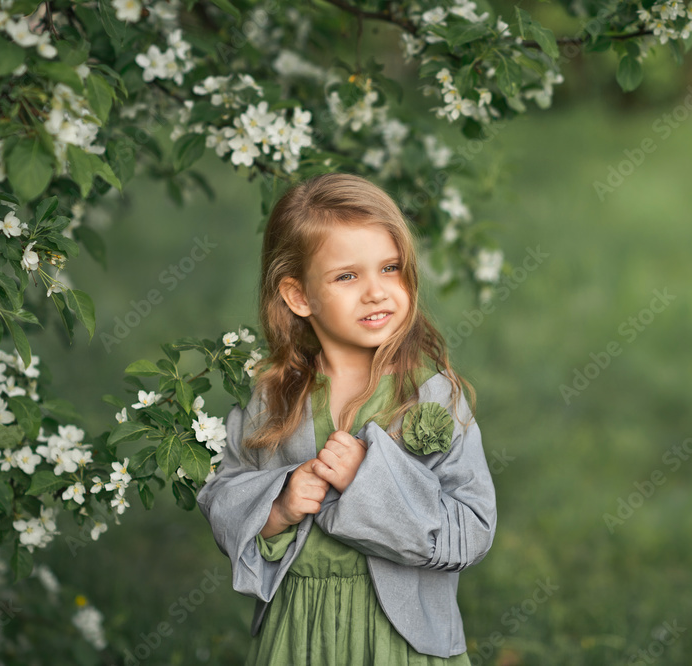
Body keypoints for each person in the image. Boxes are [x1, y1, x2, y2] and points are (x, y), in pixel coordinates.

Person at [196, 172, 496, 665]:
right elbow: (222, 495)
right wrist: (280, 504)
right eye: (347, 276)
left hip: (401, 639)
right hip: (300, 631)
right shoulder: (274, 397)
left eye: (390, 268)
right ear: (298, 297)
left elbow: (473, 531)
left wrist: (369, 479)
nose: (377, 292)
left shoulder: (431, 396)